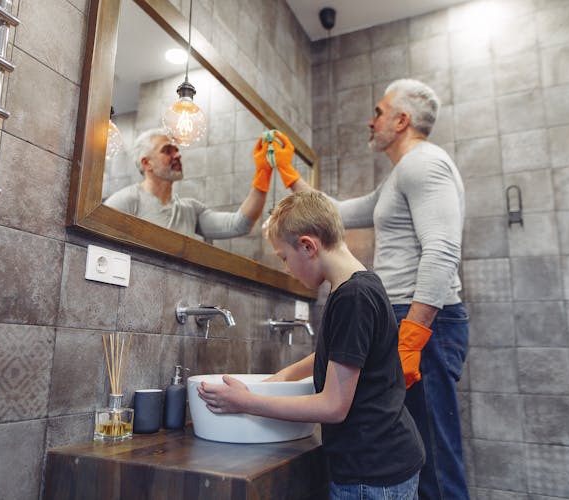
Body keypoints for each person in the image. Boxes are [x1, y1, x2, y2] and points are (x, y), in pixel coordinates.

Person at [270, 79, 469, 500]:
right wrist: (291, 177)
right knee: (420, 459)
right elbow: (338, 213)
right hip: (406, 318)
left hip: (423, 321)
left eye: (378, 112)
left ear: (402, 120)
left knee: (434, 458)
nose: (370, 120)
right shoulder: (402, 175)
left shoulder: (423, 164)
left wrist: (414, 335)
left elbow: (442, 249)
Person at [198, 190, 425, 499]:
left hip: (371, 474)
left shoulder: (352, 297)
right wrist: (283, 377)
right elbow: (342, 351)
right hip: (384, 459)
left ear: (308, 246)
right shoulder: (360, 283)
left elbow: (333, 406)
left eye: (284, 258)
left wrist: (245, 402)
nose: (287, 269)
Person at [104, 128, 275, 240]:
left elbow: (239, 225)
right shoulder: (125, 201)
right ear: (147, 163)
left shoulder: (191, 210)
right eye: (167, 150)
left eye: (177, 150)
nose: (177, 155)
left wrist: (264, 173)